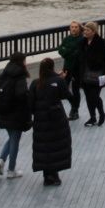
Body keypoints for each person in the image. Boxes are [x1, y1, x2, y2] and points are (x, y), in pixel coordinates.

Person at [27, 57, 71, 187]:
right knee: (56, 147)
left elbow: (30, 104)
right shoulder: (57, 81)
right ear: (53, 68)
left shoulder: (35, 83)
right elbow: (65, 95)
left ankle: (47, 175)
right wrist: (63, 79)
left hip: (41, 122)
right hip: (56, 121)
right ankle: (54, 174)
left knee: (44, 147)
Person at [0, 51, 31, 180]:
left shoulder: (3, 75)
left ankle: (1, 160)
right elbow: (22, 95)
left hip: (3, 111)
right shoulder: (20, 76)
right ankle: (11, 169)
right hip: (17, 113)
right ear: (21, 62)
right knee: (15, 140)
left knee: (11, 138)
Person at [78, 21, 105, 127]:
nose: (85, 32)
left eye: (88, 30)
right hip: (85, 74)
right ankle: (92, 117)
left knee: (94, 96)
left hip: (99, 73)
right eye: (85, 30)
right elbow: (79, 58)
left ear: (94, 31)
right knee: (88, 96)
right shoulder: (82, 42)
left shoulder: (101, 42)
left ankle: (101, 114)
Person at [56, 20, 84, 121]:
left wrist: (67, 51)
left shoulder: (82, 40)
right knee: (64, 87)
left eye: (76, 27)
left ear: (80, 28)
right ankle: (74, 104)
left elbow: (77, 54)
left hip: (77, 68)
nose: (74, 29)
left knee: (75, 89)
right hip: (66, 67)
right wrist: (70, 51)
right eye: (72, 27)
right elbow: (60, 50)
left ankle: (75, 110)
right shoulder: (67, 39)